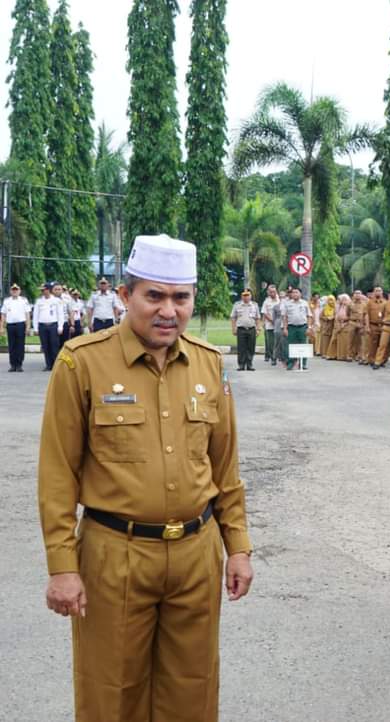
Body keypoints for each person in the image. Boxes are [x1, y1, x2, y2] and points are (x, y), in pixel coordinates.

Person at [37, 234, 253, 721]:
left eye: (181, 297)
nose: (168, 310)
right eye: (154, 296)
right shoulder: (82, 362)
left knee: (192, 693)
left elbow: (225, 468)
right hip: (115, 553)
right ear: (124, 295)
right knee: (111, 694)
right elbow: (57, 474)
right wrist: (62, 565)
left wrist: (237, 545)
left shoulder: (208, 363)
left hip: (196, 554)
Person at [32, 282, 65, 371]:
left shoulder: (56, 301)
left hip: (53, 325)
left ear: (48, 290)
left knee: (54, 346)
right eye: (42, 290)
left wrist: (60, 327)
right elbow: (35, 315)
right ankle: (48, 365)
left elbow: (60, 314)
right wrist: (35, 328)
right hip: (42, 326)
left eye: (44, 290)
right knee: (45, 346)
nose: (42, 291)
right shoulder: (39, 301)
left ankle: (55, 365)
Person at [1, 282, 32, 371]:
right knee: (11, 345)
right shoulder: (7, 301)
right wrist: (2, 327)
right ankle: (12, 365)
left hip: (20, 325)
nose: (15, 291)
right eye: (13, 290)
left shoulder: (24, 300)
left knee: (20, 345)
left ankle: (19, 364)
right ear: (10, 291)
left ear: (19, 291)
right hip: (10, 325)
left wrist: (28, 326)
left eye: (16, 289)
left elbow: (27, 314)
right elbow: (3, 314)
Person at [230, 289, 260, 371]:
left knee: (251, 347)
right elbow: (233, 317)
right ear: (241, 296)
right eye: (244, 295)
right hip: (241, 329)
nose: (246, 297)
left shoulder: (255, 305)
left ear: (251, 296)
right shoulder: (237, 305)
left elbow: (257, 318)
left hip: (251, 329)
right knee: (241, 348)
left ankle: (249, 364)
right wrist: (233, 328)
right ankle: (241, 365)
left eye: (248, 295)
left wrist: (258, 329)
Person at [282, 287, 312, 370]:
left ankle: (303, 363)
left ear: (300, 294)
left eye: (296, 292)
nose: (294, 294)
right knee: (291, 345)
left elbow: (309, 316)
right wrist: (285, 328)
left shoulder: (304, 303)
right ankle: (291, 362)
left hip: (302, 327)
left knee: (303, 344)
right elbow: (285, 317)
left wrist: (309, 328)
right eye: (293, 292)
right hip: (291, 327)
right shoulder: (288, 304)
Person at [363, 286, 386, 365]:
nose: (378, 292)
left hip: (383, 326)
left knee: (382, 344)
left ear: (382, 292)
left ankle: (380, 360)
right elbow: (366, 315)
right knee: (372, 344)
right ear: (374, 292)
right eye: (376, 290)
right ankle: (371, 360)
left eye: (379, 290)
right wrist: (367, 326)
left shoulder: (385, 303)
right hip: (373, 325)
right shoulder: (369, 302)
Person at [261, 284, 280, 365]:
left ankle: (277, 356)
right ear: (268, 292)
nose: (273, 293)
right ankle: (273, 358)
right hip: (270, 325)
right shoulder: (266, 301)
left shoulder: (279, 300)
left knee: (278, 342)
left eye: (274, 292)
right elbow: (265, 313)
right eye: (271, 292)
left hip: (278, 325)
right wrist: (272, 320)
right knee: (270, 343)